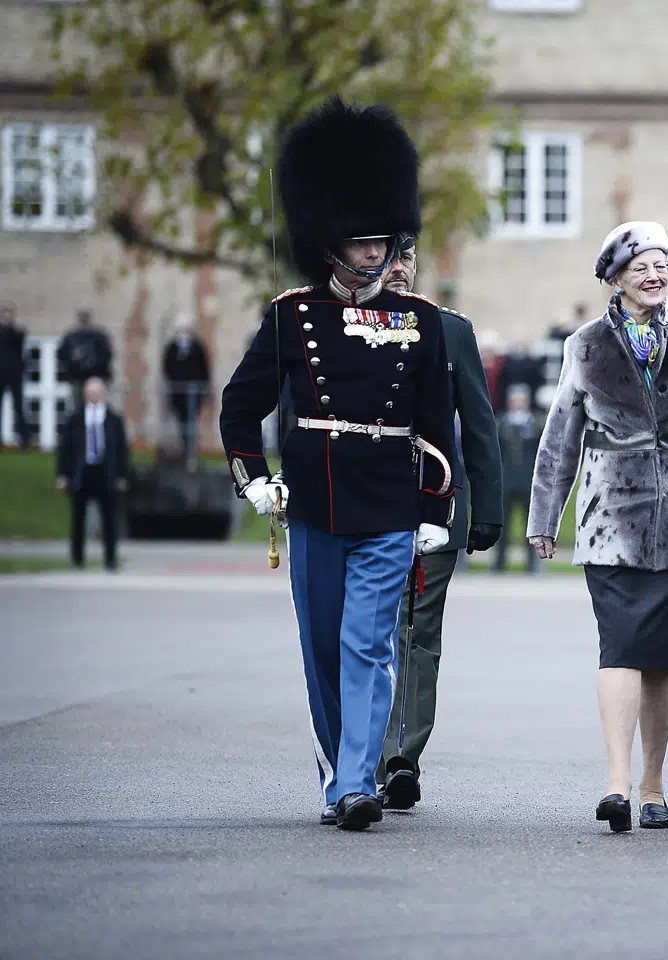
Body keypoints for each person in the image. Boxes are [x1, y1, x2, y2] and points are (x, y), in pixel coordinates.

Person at [219, 97, 459, 831]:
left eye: (379, 241)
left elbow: (434, 420)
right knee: (323, 646)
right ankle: (337, 771)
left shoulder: (418, 319)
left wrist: (433, 514)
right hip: (316, 502)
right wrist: (253, 479)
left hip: (387, 499)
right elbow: (239, 403)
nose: (371, 253)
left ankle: (358, 782)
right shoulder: (292, 316)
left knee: (367, 643)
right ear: (329, 241)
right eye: (358, 242)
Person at [528, 220, 668, 833]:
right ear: (615, 277)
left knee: (663, 661)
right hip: (609, 521)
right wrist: (546, 517)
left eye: (662, 265)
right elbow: (559, 441)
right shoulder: (585, 346)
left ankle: (653, 783)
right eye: (641, 266)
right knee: (619, 645)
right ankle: (617, 782)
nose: (654, 276)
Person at [374, 236, 503, 811]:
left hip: (436, 504)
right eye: (385, 256)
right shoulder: (335, 325)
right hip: (361, 505)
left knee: (418, 635)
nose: (397, 269)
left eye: (406, 259)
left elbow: (478, 423)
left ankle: (400, 758)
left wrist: (489, 510)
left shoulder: (451, 330)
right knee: (366, 634)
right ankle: (358, 759)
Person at [56, 376, 130, 570]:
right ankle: (77, 559)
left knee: (109, 519)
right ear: (85, 394)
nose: (94, 395)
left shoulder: (114, 419)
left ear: (103, 393)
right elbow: (65, 449)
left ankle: (111, 559)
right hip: (82, 471)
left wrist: (122, 475)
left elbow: (122, 449)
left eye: (97, 392)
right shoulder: (75, 419)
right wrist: (63, 474)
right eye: (90, 392)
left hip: (106, 472)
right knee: (78, 519)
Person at [493, 384, 542, 574]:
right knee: (503, 525)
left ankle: (532, 564)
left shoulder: (536, 423)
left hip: (529, 481)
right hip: (507, 480)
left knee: (531, 527)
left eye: (521, 399)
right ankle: (499, 563)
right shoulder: (501, 423)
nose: (518, 403)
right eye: (515, 400)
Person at [161, 313, 211, 465]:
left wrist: (201, 387)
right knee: (181, 422)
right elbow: (167, 368)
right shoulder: (172, 348)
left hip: (193, 394)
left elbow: (204, 369)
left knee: (191, 422)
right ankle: (184, 452)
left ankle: (190, 453)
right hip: (178, 394)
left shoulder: (197, 347)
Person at [57, 309, 113, 409]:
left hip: (96, 377)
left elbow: (107, 355)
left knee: (98, 406)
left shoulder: (98, 337)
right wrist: (73, 359)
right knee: (78, 408)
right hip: (77, 378)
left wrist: (93, 362)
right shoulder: (72, 337)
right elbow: (62, 356)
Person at [0, 303, 31, 448]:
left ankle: (24, 439)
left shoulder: (17, 333)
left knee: (19, 407)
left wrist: (9, 326)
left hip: (14, 375)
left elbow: (19, 338)